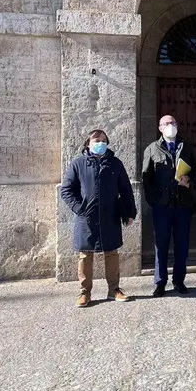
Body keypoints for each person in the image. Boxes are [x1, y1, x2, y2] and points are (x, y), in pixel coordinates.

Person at [60, 129, 137, 308]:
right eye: (96, 140)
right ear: (88, 143)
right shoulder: (78, 164)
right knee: (85, 255)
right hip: (86, 218)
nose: (100, 143)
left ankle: (114, 289)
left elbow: (125, 189)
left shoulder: (115, 164)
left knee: (111, 252)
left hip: (110, 215)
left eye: (103, 140)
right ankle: (84, 292)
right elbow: (67, 190)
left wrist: (130, 212)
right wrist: (79, 208)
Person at [142, 115, 196, 298]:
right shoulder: (152, 149)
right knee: (161, 245)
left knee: (182, 245)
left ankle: (179, 281)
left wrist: (189, 180)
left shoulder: (187, 147)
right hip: (162, 206)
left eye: (173, 123)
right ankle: (160, 283)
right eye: (167, 123)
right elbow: (146, 178)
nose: (170, 126)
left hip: (182, 204)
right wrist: (153, 200)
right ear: (160, 128)